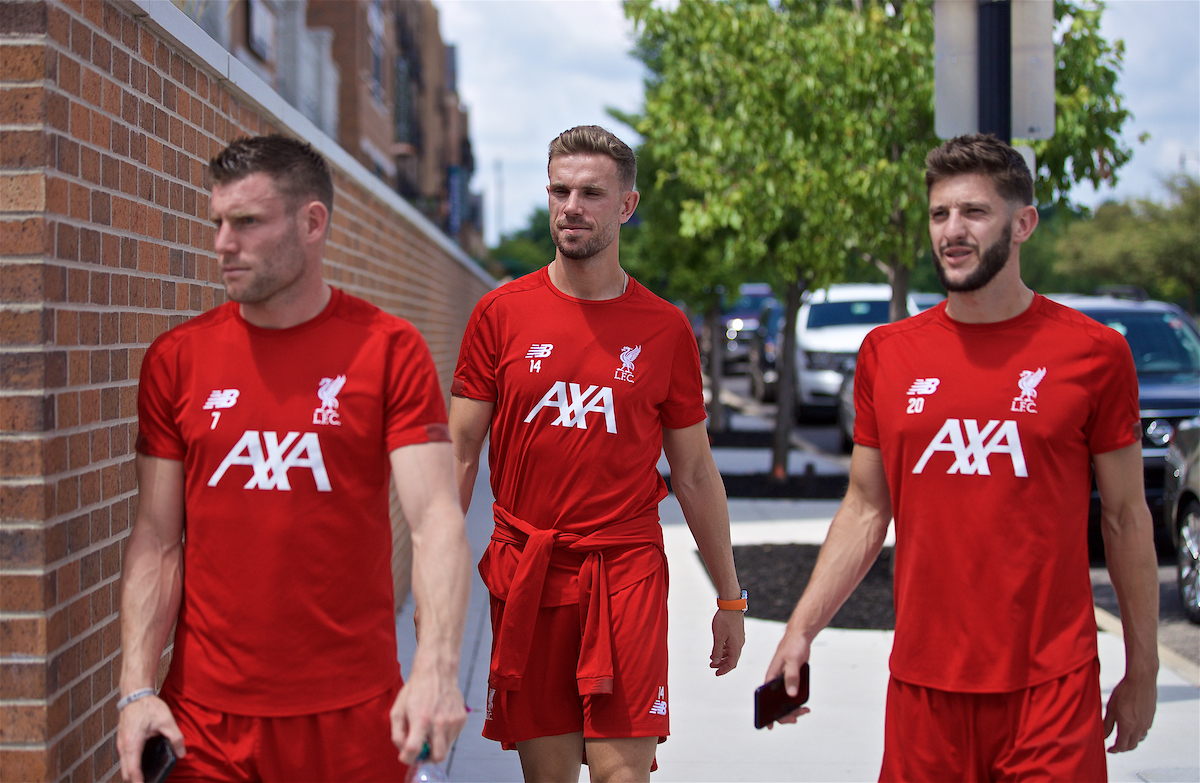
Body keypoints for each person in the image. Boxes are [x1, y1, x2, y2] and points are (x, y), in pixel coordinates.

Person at [766, 134, 1160, 781]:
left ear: (1023, 222)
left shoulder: (1094, 354)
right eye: (939, 213)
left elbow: (1125, 517)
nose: (952, 229)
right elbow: (866, 507)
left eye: (974, 212)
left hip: (1051, 690)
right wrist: (800, 630)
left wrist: (1141, 666)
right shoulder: (888, 354)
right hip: (925, 689)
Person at [116, 135, 473, 783]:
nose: (223, 242)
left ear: (313, 222)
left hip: (353, 717)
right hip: (205, 721)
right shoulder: (177, 360)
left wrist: (438, 668)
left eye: (247, 222)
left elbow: (435, 523)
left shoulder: (387, 350)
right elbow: (159, 537)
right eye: (218, 222)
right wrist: (137, 689)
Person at [448, 125, 745, 783]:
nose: (571, 206)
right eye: (560, 190)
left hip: (626, 569)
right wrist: (438, 582)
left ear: (626, 205)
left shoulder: (664, 328)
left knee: (622, 774)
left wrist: (730, 597)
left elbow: (694, 471)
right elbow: (461, 451)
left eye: (590, 192)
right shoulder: (500, 314)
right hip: (531, 571)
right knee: (548, 776)